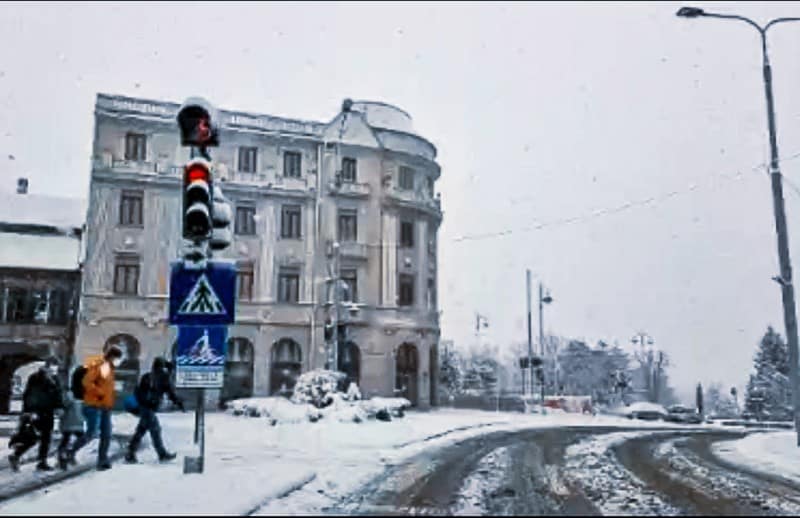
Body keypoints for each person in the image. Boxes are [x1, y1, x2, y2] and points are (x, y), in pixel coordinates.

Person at [69, 345, 123, 471]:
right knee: (92, 433)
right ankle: (70, 452)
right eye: (118, 358)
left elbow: (105, 386)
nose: (119, 361)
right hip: (94, 405)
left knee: (106, 434)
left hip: (104, 406)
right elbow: (87, 382)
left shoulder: (108, 368)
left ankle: (102, 460)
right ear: (112, 357)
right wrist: (100, 393)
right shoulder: (102, 366)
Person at [125, 356, 184, 464]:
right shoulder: (163, 376)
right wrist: (179, 403)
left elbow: (138, 392)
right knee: (155, 430)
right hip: (149, 408)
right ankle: (161, 454)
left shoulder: (147, 376)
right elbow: (170, 392)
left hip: (144, 407)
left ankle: (130, 453)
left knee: (141, 430)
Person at [8, 357, 64, 471]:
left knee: (46, 437)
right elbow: (30, 395)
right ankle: (16, 455)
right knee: (32, 437)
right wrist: (30, 411)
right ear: (46, 367)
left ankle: (42, 461)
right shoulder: (35, 378)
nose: (53, 372)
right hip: (36, 412)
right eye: (52, 369)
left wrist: (59, 406)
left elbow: (58, 394)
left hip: (48, 412)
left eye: (55, 369)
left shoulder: (55, 379)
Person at [57, 386, 84, 470]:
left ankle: (63, 458)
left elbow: (60, 412)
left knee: (65, 440)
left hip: (70, 422)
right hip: (74, 422)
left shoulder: (65, 396)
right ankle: (68, 456)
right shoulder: (71, 397)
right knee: (80, 438)